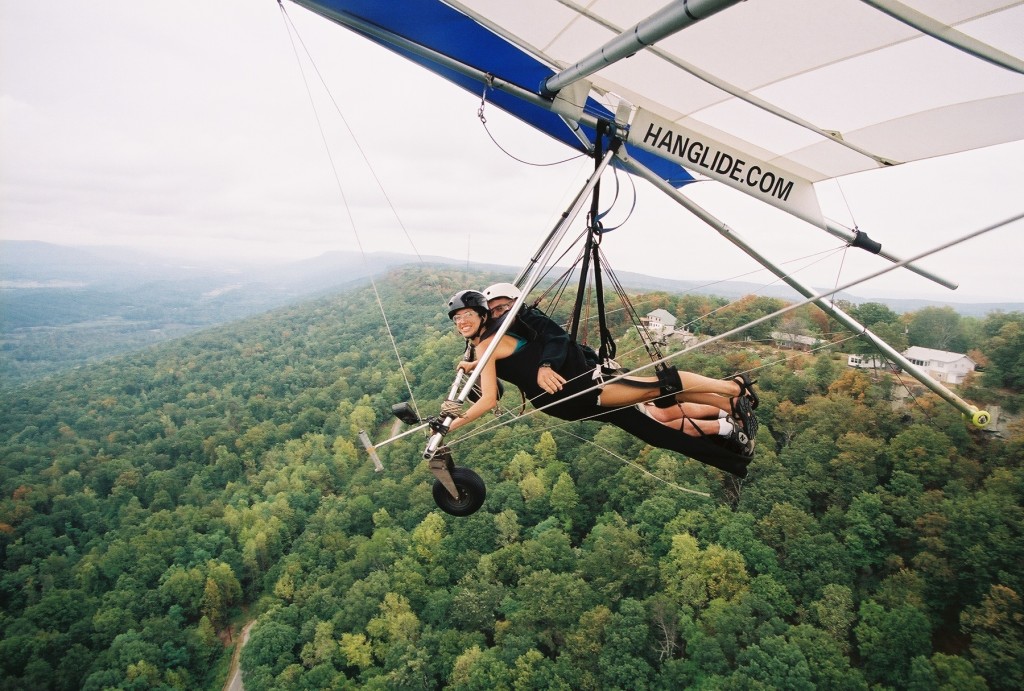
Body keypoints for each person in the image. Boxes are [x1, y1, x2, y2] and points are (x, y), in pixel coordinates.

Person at [441, 290, 758, 477]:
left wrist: (451, 426)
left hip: (587, 390)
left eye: (468, 315)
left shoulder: (491, 341)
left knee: (662, 386)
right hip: (577, 402)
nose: (462, 322)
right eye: (457, 319)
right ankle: (728, 428)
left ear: (482, 316)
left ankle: (733, 390)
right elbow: (512, 363)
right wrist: (474, 365)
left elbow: (489, 400)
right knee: (656, 429)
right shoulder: (489, 346)